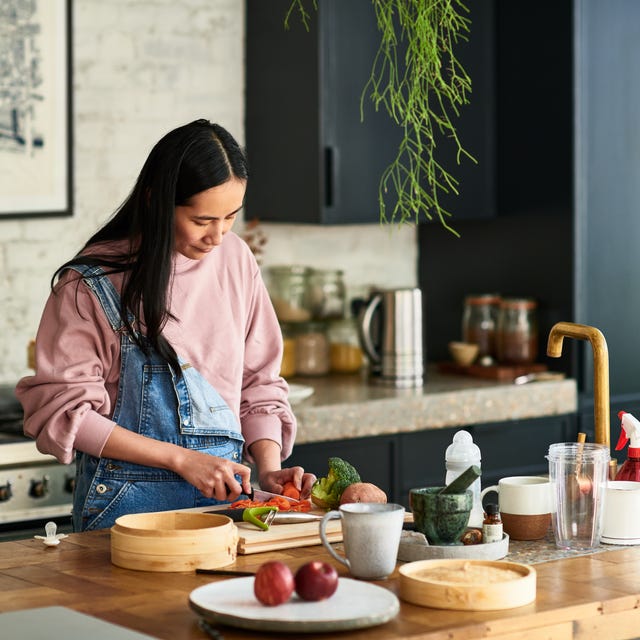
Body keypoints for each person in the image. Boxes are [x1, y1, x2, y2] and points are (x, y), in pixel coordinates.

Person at [15, 118, 316, 531]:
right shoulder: (90, 283)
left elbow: (258, 382)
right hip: (126, 514)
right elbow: (67, 413)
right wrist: (181, 459)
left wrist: (268, 468)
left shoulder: (235, 260)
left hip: (226, 512)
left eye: (230, 216)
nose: (218, 234)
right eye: (202, 220)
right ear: (157, 201)